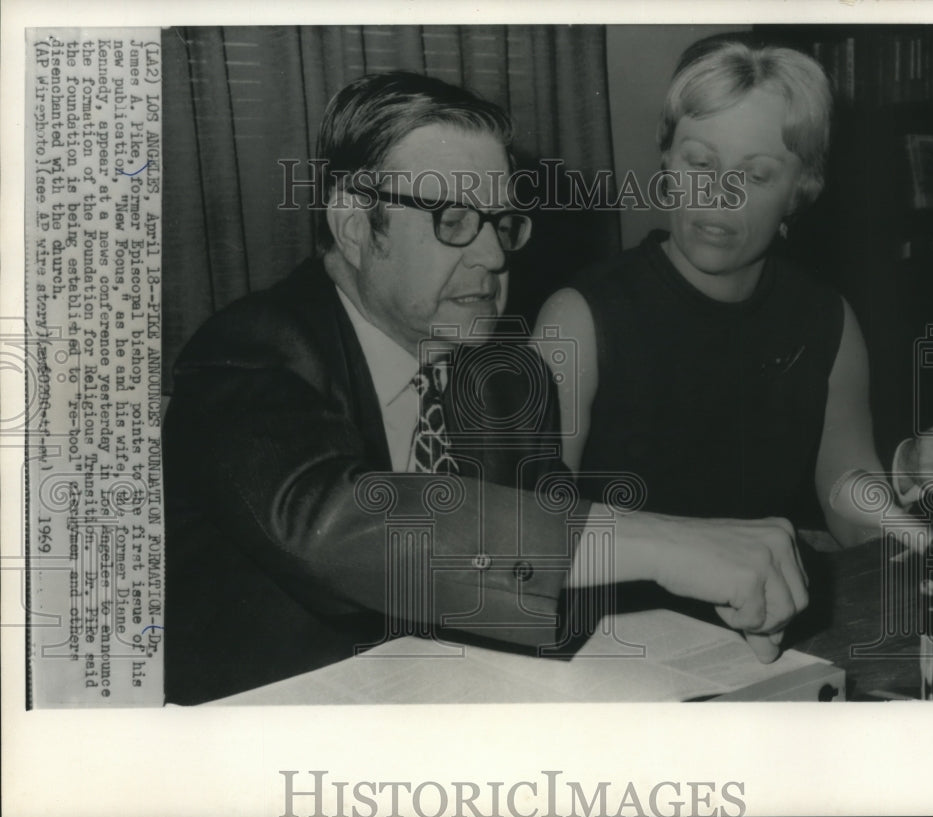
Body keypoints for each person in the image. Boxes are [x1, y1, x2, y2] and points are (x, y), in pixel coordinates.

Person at [164, 71, 808, 705]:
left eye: (501, 222)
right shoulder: (250, 349)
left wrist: (712, 588)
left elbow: (538, 578)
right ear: (357, 226)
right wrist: (669, 544)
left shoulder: (509, 381)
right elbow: (334, 523)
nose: (495, 257)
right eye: (452, 220)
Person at [536, 39, 933, 549]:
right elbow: (535, 541)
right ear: (666, 164)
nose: (719, 195)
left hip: (763, 614)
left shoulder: (827, 320)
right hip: (619, 623)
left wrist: (910, 475)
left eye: (754, 174)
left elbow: (851, 517)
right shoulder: (579, 320)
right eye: (700, 164)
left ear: (800, 190)